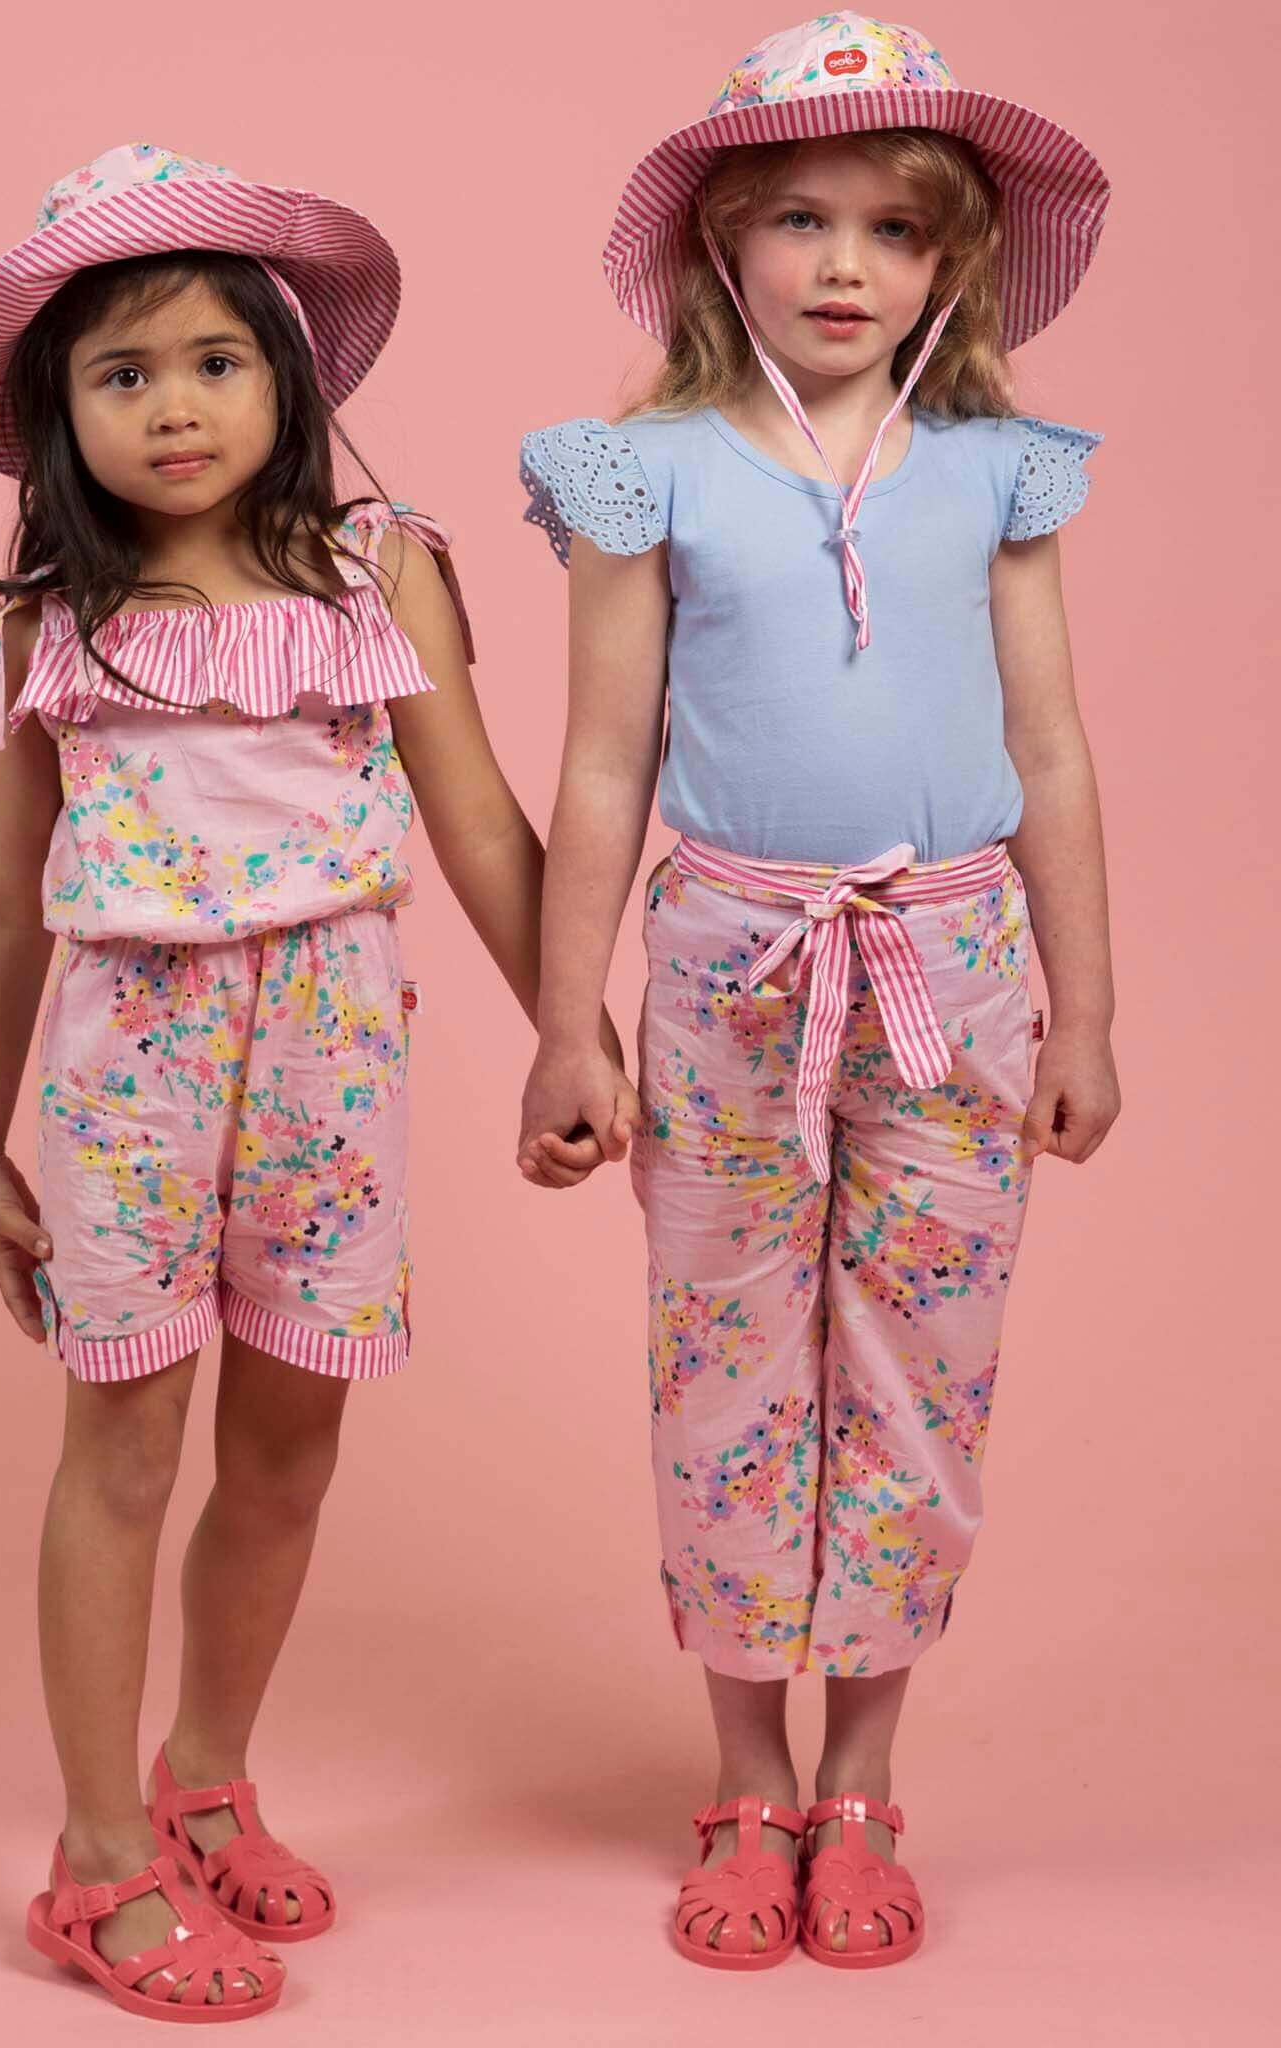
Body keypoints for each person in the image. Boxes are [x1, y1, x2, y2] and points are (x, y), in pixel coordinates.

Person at [0, 142, 625, 2022]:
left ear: (293, 376)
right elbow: (2, 902)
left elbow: (477, 819)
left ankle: (208, 1772)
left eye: (215, 362)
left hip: (329, 1046)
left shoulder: (379, 571)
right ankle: (94, 1861)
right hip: (125, 1069)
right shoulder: (41, 623)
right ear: (59, 415)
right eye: (122, 372)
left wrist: (577, 1026)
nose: (173, 405)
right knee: (128, 1441)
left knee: (295, 1438)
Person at [516, 14, 1120, 1970]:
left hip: (958, 967)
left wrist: (1090, 1009)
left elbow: (1055, 740)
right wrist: (565, 1018)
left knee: (917, 1371)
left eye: (891, 228)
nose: (844, 264)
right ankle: (744, 1776)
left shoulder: (994, 470)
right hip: (729, 972)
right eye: (798, 217)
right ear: (719, 245)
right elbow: (600, 763)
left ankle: (862, 1779)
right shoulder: (648, 473)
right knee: (730, 1364)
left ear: (953, 265)